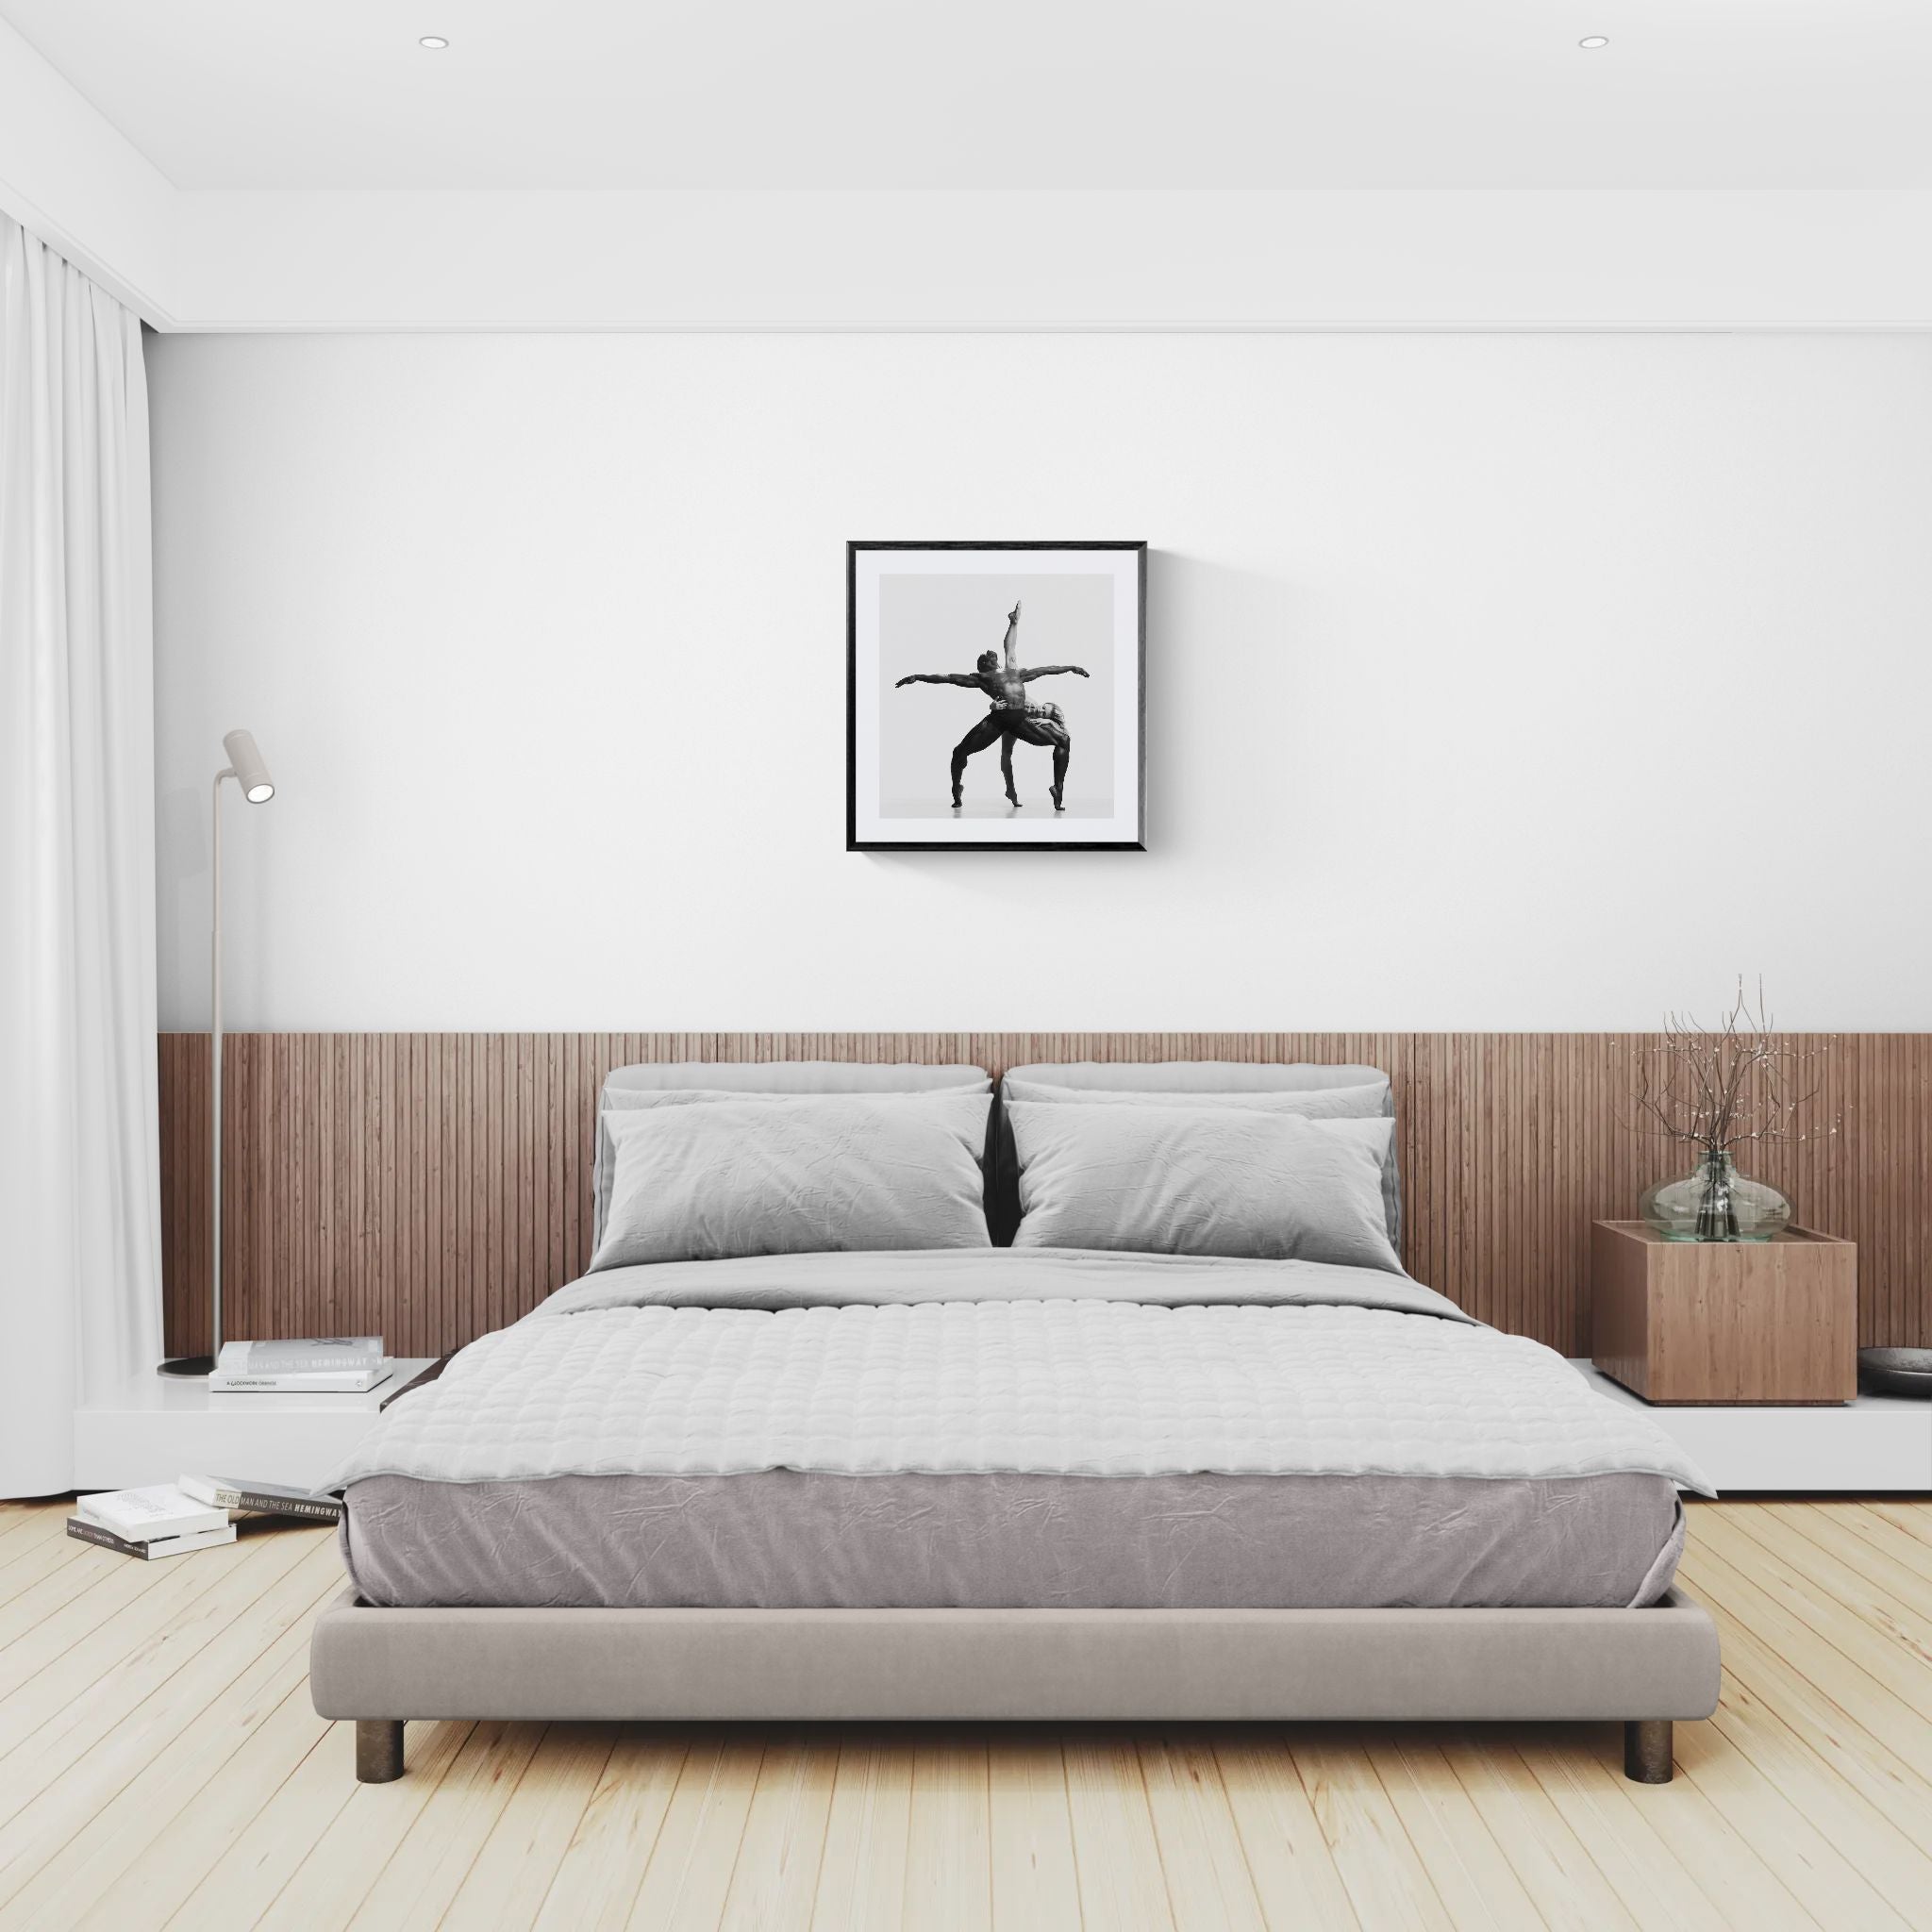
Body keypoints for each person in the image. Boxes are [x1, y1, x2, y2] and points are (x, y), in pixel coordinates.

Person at [894, 600, 1088, 809]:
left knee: (1063, 740)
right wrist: (919, 676)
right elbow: (948, 677)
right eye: (986, 656)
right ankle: (956, 789)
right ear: (984, 665)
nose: (990, 653)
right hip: (997, 722)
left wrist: (1071, 667)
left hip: (1019, 720)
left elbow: (1045, 669)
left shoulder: (1015, 671)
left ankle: (1058, 789)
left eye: (991, 654)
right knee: (959, 752)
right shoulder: (981, 678)